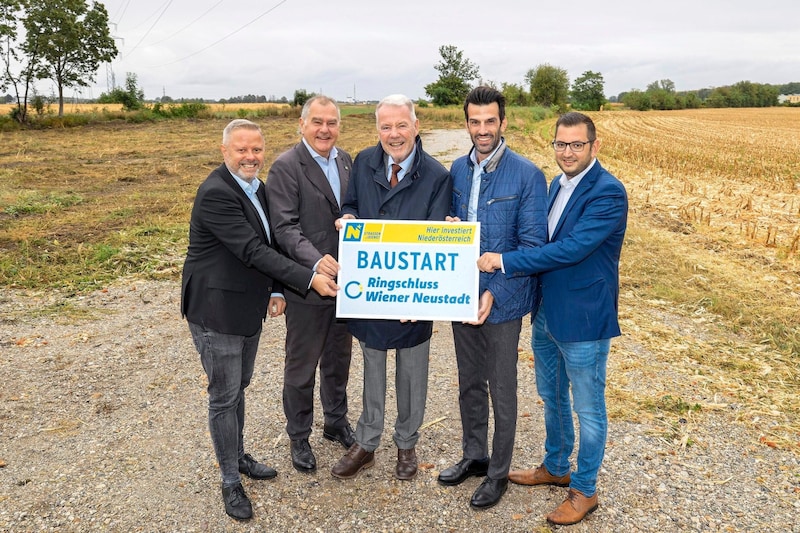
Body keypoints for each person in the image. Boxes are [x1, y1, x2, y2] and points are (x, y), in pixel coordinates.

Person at [181, 119, 339, 521]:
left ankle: (237, 456)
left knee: (239, 387)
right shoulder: (217, 193)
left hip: (245, 308)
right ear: (224, 152)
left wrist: (273, 289)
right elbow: (251, 249)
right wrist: (307, 278)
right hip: (216, 311)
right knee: (224, 395)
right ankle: (231, 481)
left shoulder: (256, 187)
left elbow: (268, 241)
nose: (250, 157)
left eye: (256, 149)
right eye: (241, 150)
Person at [477, 111, 628, 525]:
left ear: (594, 147)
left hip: (583, 319)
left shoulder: (607, 193)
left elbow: (569, 249)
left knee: (588, 408)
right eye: (561, 144)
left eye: (577, 144)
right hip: (546, 312)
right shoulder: (554, 185)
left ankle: (585, 489)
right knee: (552, 394)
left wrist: (504, 260)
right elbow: (534, 235)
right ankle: (556, 466)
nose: (567, 152)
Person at [330, 94, 452, 481]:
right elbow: (350, 204)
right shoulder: (364, 161)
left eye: (402, 125)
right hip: (371, 289)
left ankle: (406, 443)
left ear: (416, 126)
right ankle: (366, 442)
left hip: (412, 293)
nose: (394, 134)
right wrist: (347, 218)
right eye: (386, 126)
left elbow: (434, 237)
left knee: (412, 373)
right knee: (371, 368)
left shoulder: (437, 176)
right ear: (377, 129)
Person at [437, 86, 548, 510]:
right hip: (460, 295)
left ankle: (498, 473)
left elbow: (532, 245)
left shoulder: (527, 174)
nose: (482, 130)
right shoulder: (458, 169)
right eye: (474, 121)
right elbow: (452, 230)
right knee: (469, 381)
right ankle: (474, 455)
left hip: (504, 299)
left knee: (502, 388)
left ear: (503, 122)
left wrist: (495, 293)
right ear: (466, 123)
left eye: (489, 121)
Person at [265, 95, 355, 473]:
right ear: (302, 124)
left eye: (331, 122)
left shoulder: (347, 160)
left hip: (347, 284)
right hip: (308, 285)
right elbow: (283, 227)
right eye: (317, 121)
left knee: (338, 358)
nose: (324, 129)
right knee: (301, 366)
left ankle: (335, 421)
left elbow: (351, 210)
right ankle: (299, 435)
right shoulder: (286, 167)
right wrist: (316, 262)